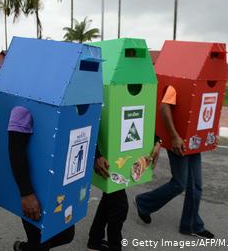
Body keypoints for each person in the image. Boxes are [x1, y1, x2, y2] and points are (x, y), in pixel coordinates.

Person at [135, 85, 215, 239]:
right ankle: (144, 202)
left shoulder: (200, 83)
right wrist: (174, 136)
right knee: (180, 183)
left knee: (196, 185)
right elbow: (164, 108)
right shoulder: (176, 84)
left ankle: (191, 224)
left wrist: (211, 135)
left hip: (193, 141)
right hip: (178, 140)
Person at [8, 106, 75, 251]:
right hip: (36, 190)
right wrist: (26, 193)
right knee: (39, 241)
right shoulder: (23, 108)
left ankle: (26, 248)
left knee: (66, 235)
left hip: (58, 185)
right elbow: (16, 149)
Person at [87, 138, 161, 251]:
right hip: (107, 150)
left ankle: (95, 240)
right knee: (120, 206)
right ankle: (113, 246)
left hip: (119, 148)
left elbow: (147, 119)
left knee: (109, 196)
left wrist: (157, 141)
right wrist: (96, 154)